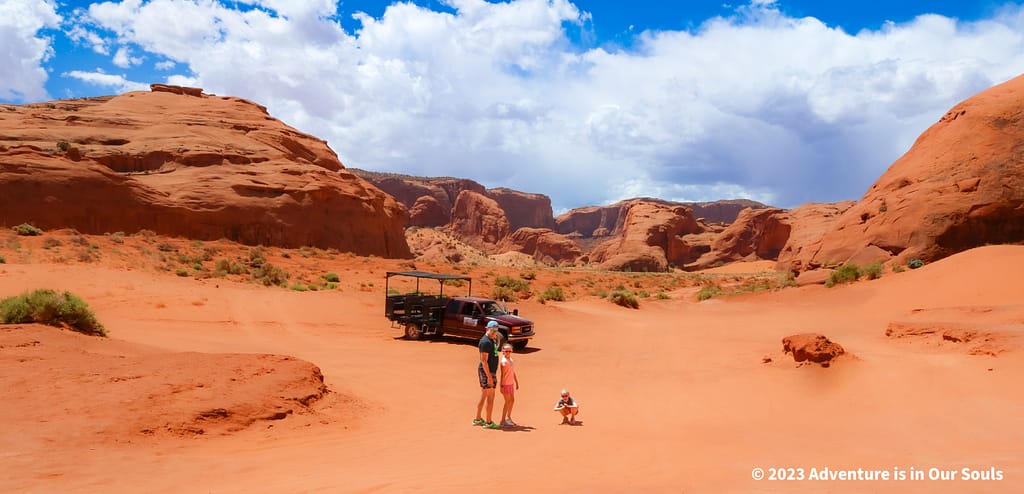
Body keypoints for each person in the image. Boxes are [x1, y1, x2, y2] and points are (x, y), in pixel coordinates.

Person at [473, 321, 502, 429]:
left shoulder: (491, 340)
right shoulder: (485, 342)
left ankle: (478, 419)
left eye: (496, 330)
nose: (494, 332)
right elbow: (484, 361)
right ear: (487, 329)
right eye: (493, 330)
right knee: (491, 396)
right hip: (487, 372)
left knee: (484, 394)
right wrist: (489, 377)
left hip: (490, 371)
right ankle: (489, 422)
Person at [499, 343, 520, 427]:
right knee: (507, 401)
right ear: (503, 351)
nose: (508, 352)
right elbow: (502, 375)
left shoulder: (511, 360)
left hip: (511, 383)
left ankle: (508, 417)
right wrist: (501, 386)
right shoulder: (504, 362)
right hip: (505, 384)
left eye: (509, 351)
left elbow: (512, 372)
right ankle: (502, 421)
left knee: (512, 400)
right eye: (506, 351)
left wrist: (516, 382)